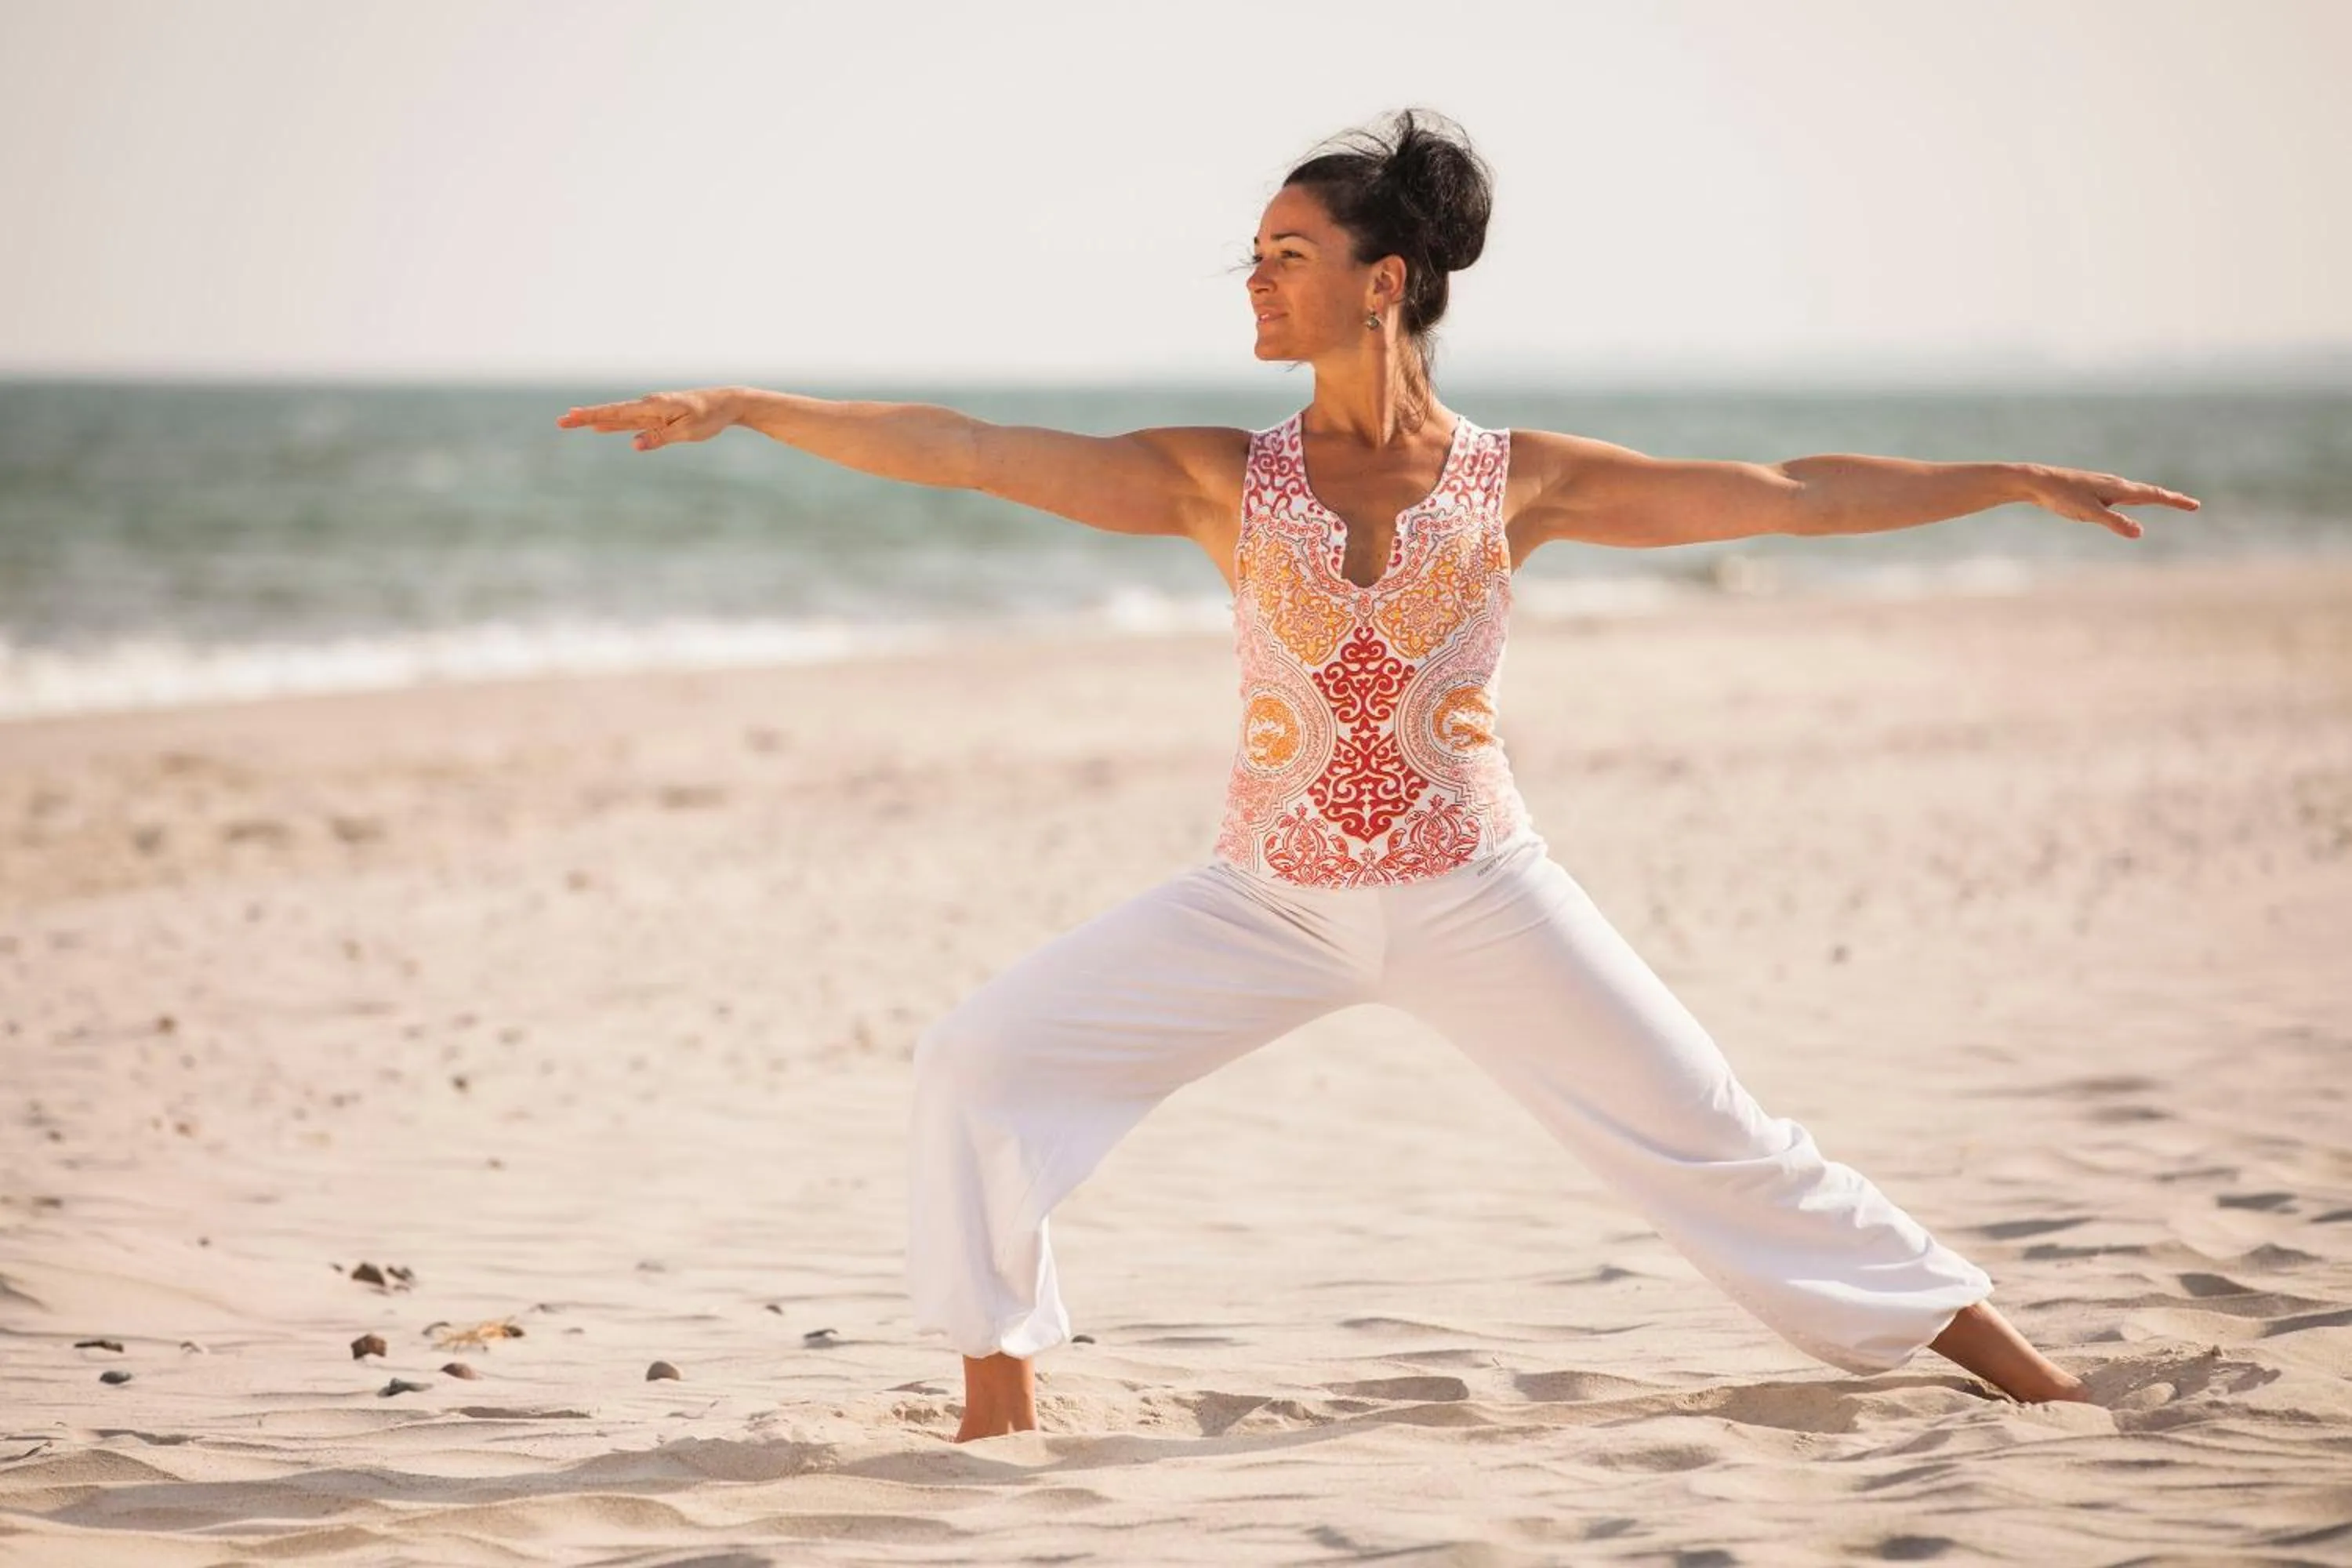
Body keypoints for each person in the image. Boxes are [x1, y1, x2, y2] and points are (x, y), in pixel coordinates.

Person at [558, 107, 2199, 1443]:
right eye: (1253, 256)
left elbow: (1789, 490)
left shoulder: (1518, 479)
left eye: (1287, 255)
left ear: (1382, 278)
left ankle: (2032, 1383)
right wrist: (756, 408)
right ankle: (1000, 1412)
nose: (1254, 283)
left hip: (1481, 889)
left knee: (1720, 1141)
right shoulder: (1219, 476)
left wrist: (2007, 477)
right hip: (1262, 898)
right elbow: (976, 449)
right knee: (980, 1062)